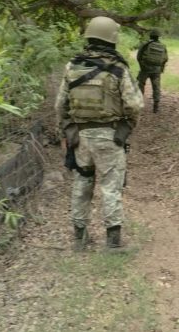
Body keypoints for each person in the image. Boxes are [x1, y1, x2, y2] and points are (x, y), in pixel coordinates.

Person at [55, 16, 143, 251]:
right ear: (112, 39)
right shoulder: (118, 69)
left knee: (82, 184)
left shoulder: (72, 66)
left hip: (81, 138)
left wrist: (67, 130)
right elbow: (135, 105)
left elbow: (60, 105)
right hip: (109, 137)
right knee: (111, 187)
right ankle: (113, 243)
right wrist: (127, 126)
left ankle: (79, 238)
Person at [136, 29, 168, 113]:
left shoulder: (145, 44)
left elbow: (138, 56)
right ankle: (156, 106)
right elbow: (165, 59)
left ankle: (139, 103)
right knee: (156, 87)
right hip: (156, 70)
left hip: (145, 69)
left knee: (140, 84)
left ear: (150, 36)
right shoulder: (162, 46)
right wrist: (161, 69)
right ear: (158, 37)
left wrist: (142, 66)